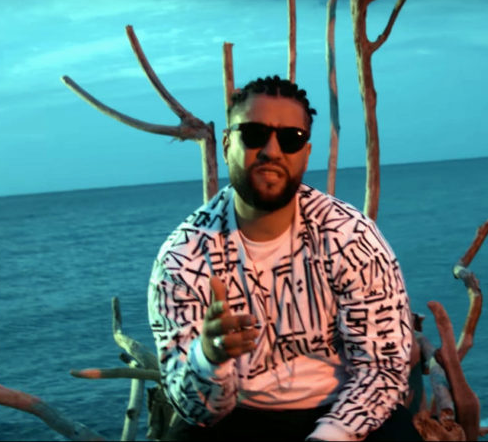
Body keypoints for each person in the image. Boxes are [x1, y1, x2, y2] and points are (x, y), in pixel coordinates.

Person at [147, 75, 419, 441]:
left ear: (305, 154)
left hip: (340, 408)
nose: (272, 151)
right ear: (227, 145)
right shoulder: (184, 257)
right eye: (254, 134)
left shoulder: (351, 237)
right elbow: (193, 409)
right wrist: (208, 358)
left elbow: (382, 369)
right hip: (239, 415)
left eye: (291, 139)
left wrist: (331, 435)